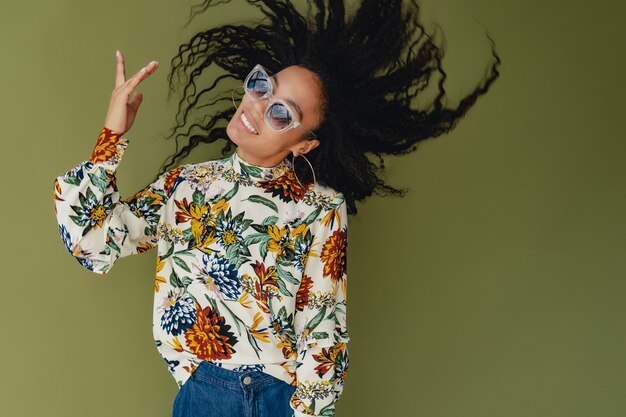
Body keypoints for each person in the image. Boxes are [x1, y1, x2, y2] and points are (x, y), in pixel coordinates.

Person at [52, 1, 501, 416]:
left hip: (280, 397)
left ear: (303, 144)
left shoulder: (321, 207)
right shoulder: (185, 186)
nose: (258, 105)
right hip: (203, 395)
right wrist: (111, 137)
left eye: (281, 113)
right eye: (263, 85)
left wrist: (304, 411)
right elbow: (94, 246)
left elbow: (324, 326)